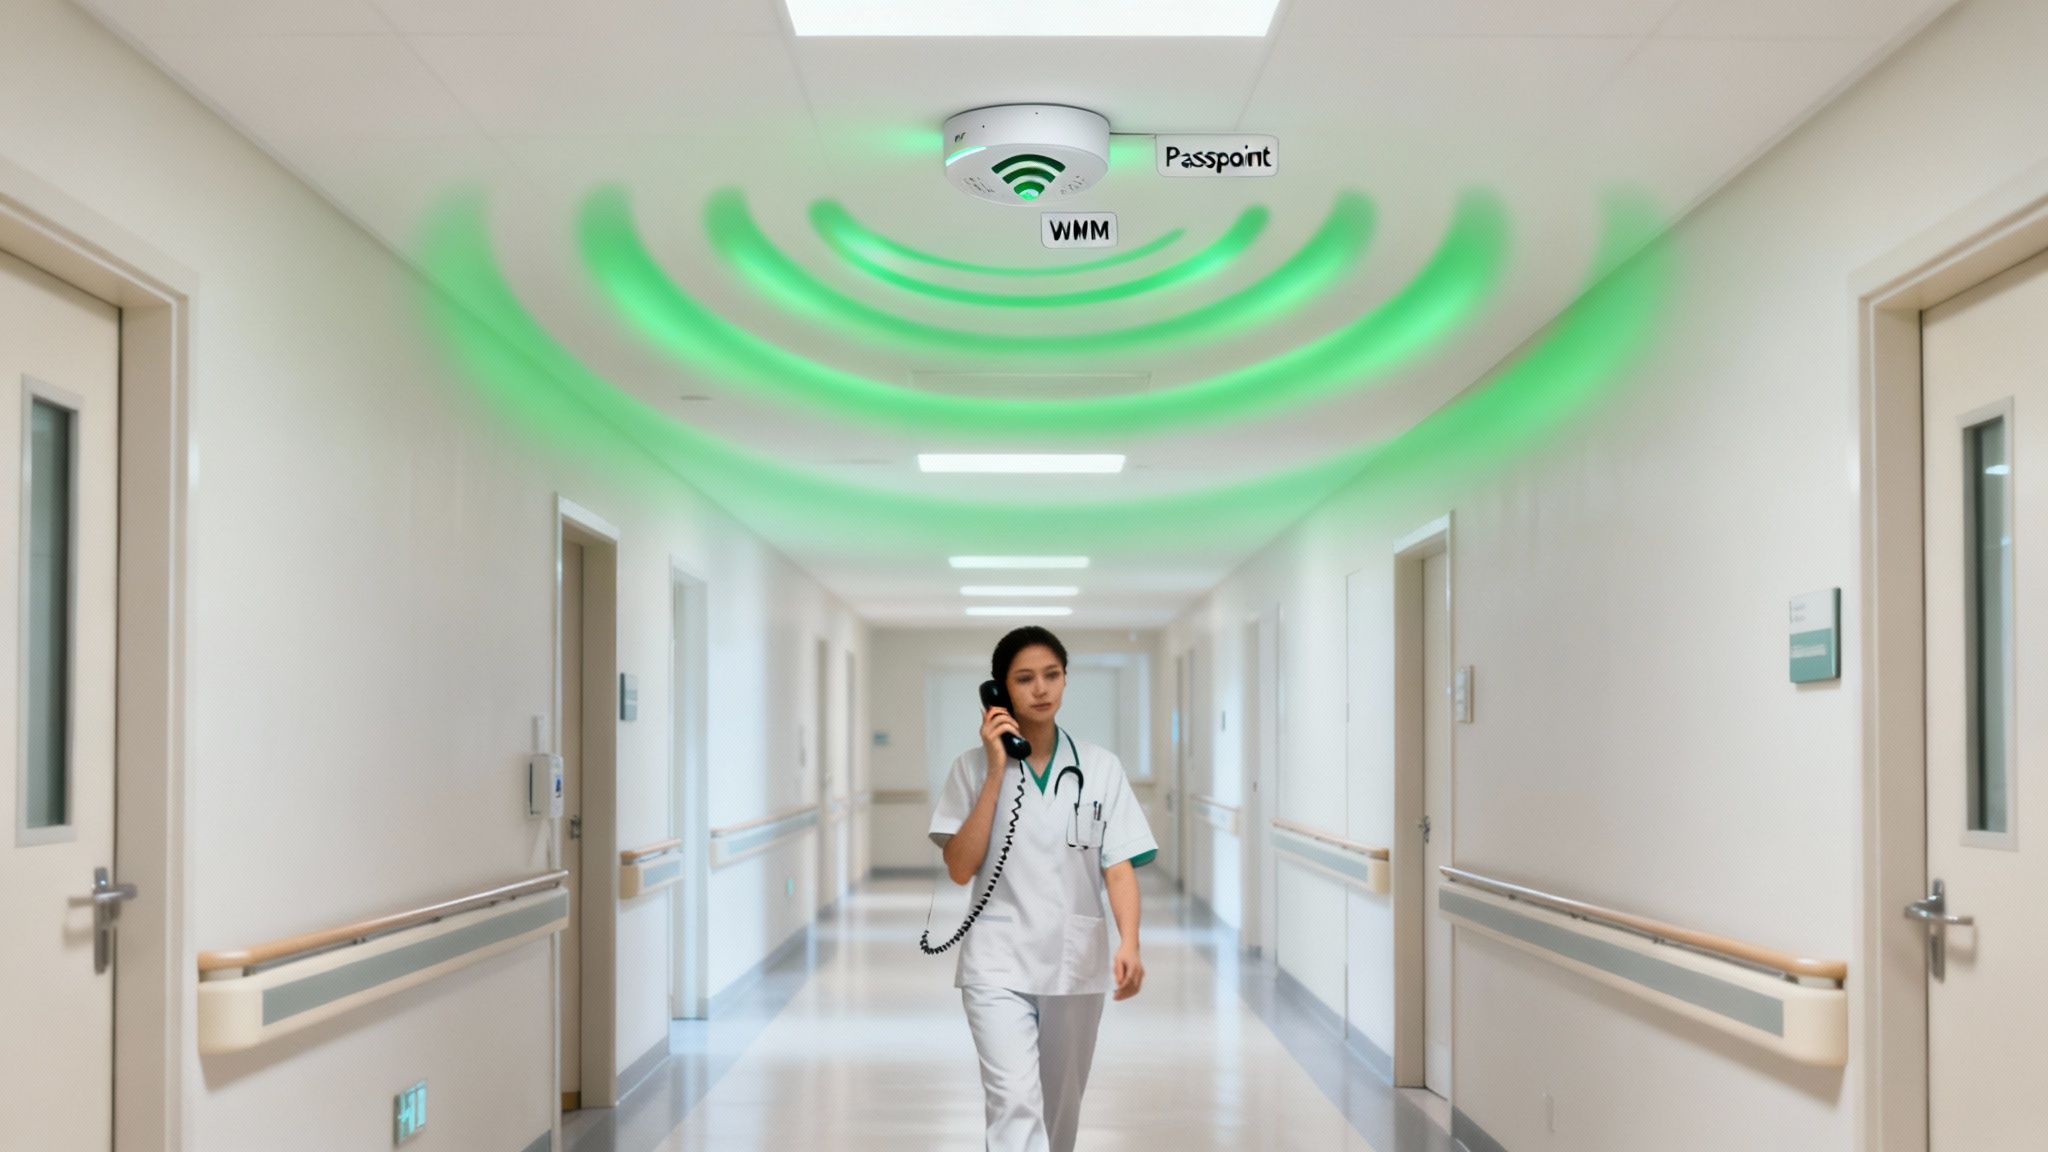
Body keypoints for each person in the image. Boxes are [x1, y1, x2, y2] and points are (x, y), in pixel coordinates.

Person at [927, 626, 1159, 1152]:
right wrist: (995, 771)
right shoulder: (969, 769)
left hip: (1073, 959)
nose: (1040, 689)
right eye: (1024, 679)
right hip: (996, 961)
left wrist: (1130, 942)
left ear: (1065, 680)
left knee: (1060, 1113)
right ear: (999, 692)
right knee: (1013, 1103)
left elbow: (1118, 867)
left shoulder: (1100, 767)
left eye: (1051, 675)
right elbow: (960, 867)